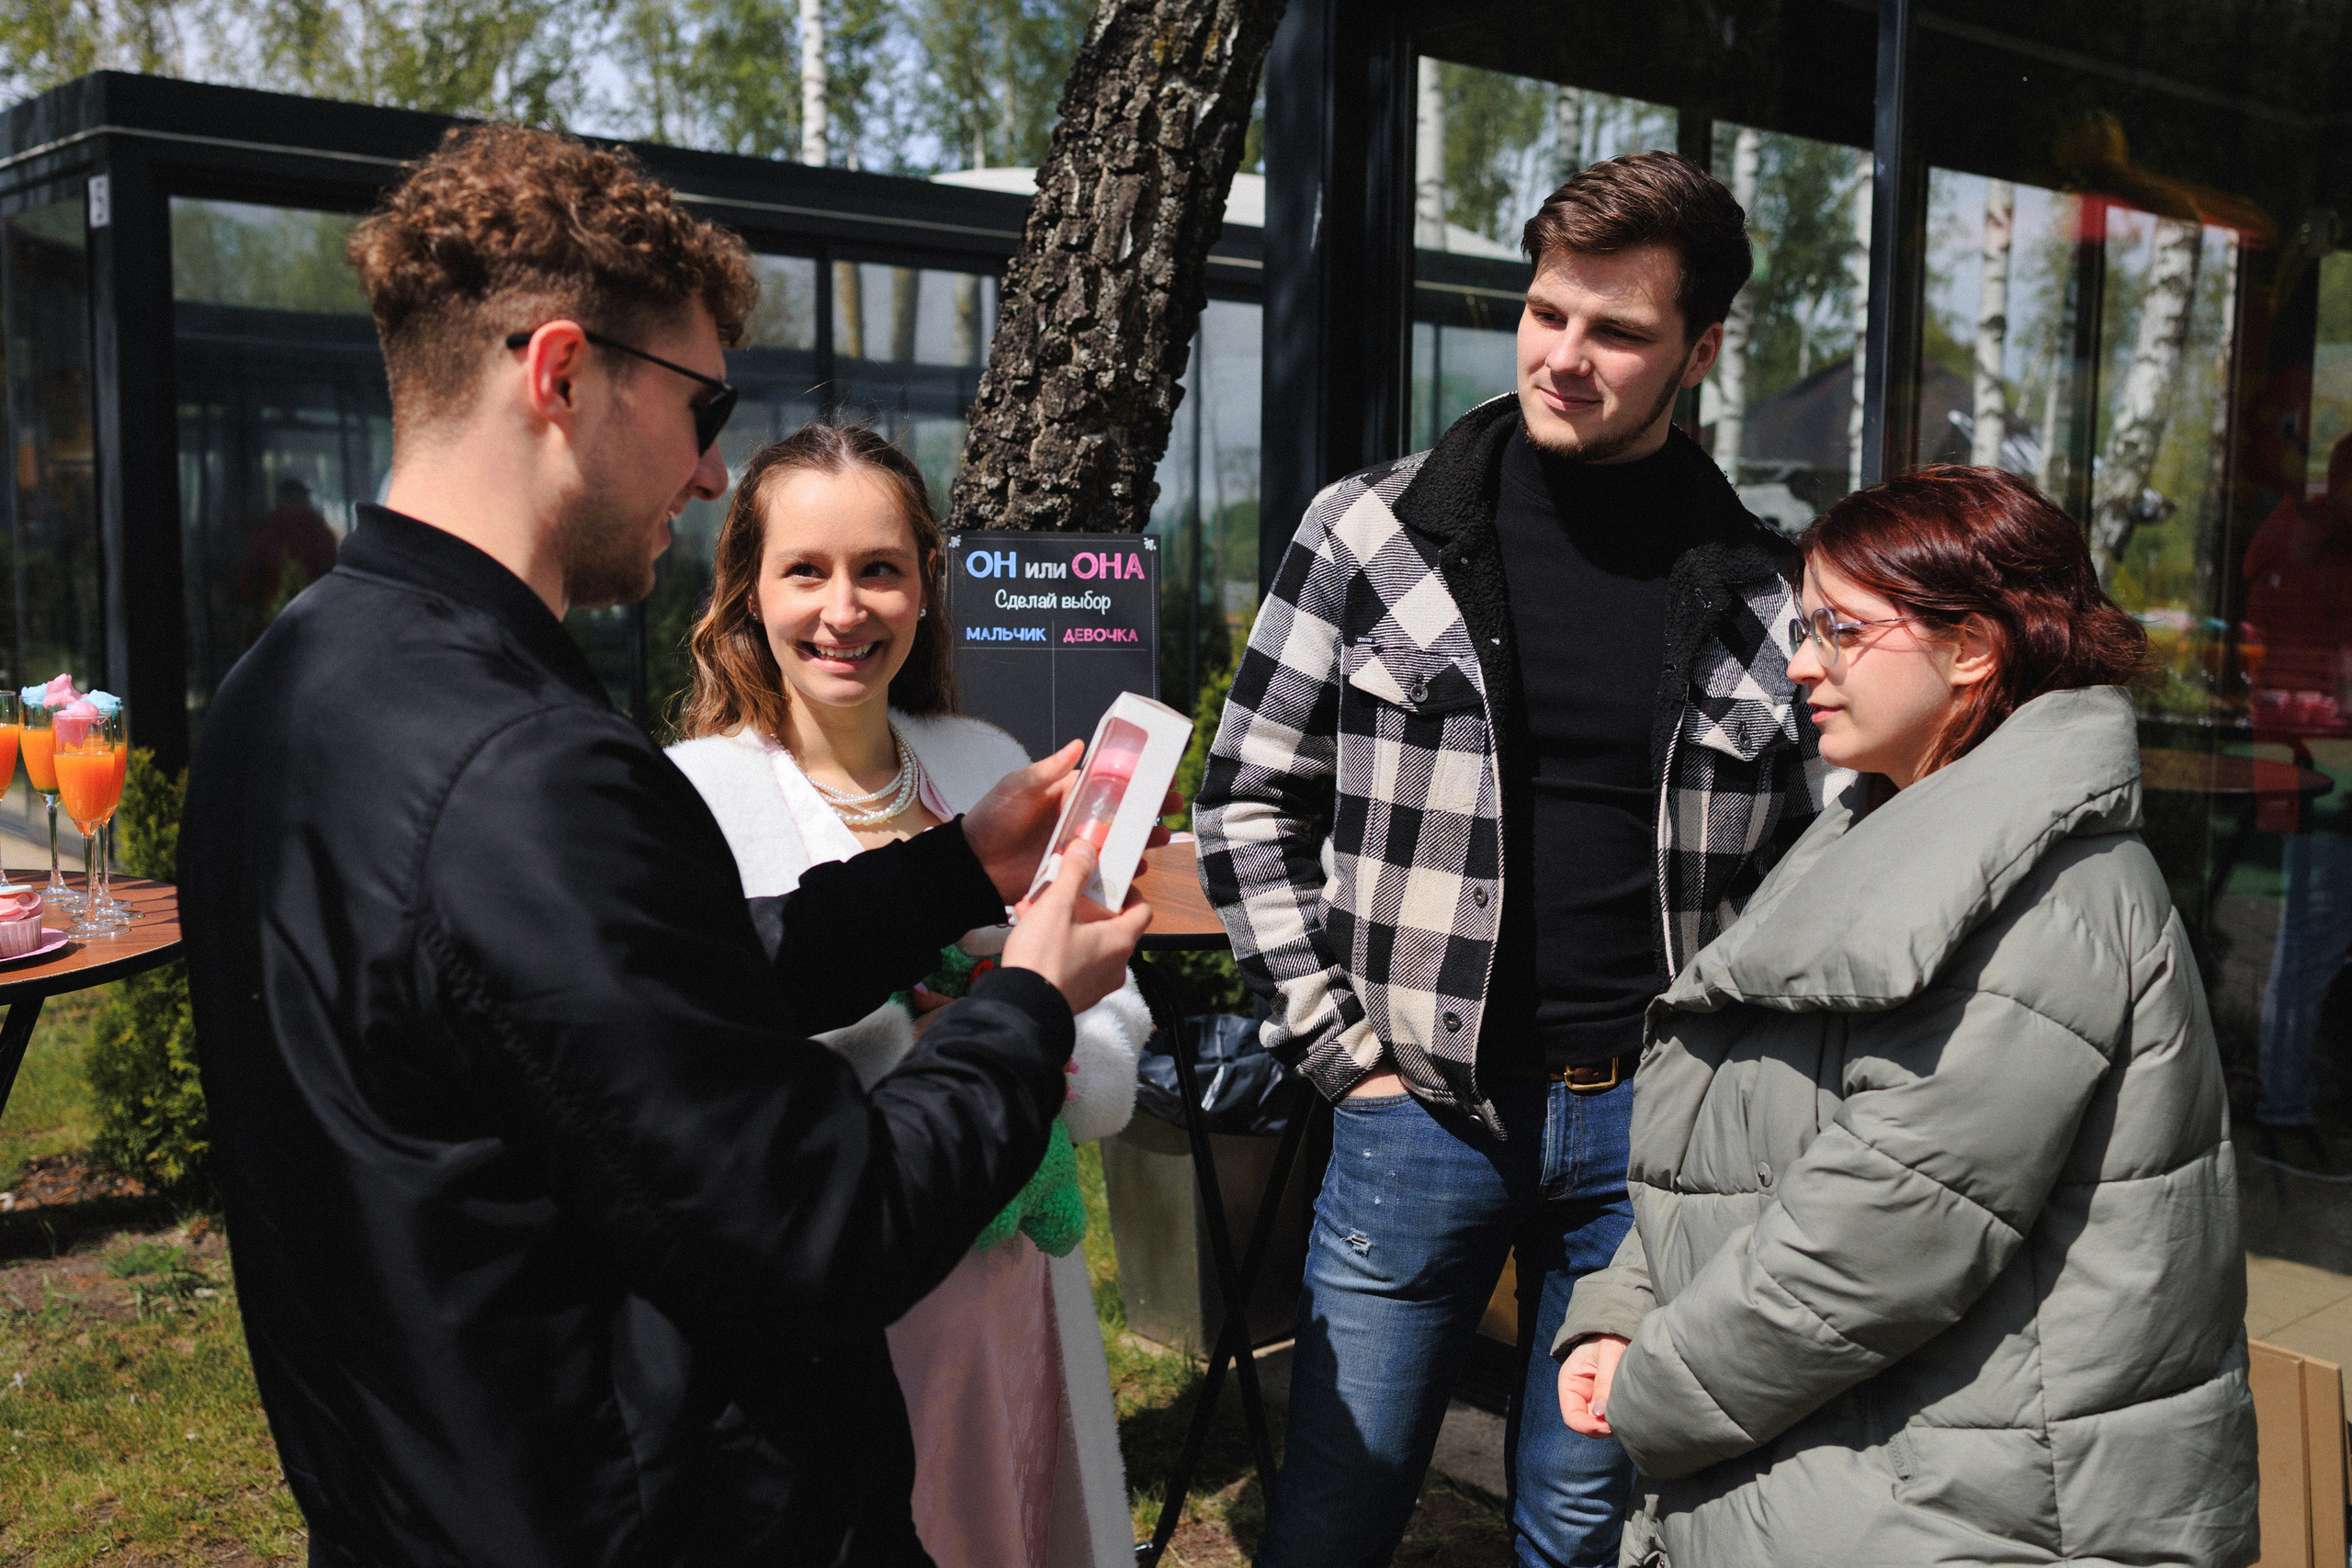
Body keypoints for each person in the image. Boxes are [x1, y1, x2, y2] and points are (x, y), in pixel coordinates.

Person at [180, 124, 1152, 1567]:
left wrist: (950, 873)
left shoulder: (289, 682)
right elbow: (821, 1227)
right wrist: (1026, 1001)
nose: (710, 475)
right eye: (705, 406)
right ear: (563, 375)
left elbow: (635, 999)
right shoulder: (523, 761)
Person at [1194, 151, 1826, 1567]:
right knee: (1337, 1511)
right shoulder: (1372, 532)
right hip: (1414, 1106)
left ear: (1699, 351)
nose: (1565, 356)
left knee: (1588, 1521)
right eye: (1548, 313)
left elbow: (1813, 871)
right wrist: (1339, 1049)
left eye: (1617, 331)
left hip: (1649, 1137)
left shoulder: (1768, 590)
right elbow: (1243, 799)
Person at [1553, 466, 2256, 1567]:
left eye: (1841, 630)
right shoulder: (1897, 833)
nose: (1800, 665)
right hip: (1873, 1466)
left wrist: (1652, 1381)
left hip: (1962, 1504)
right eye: (1805, 627)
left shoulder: (2047, 894)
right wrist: (1621, 1303)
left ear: (1972, 648)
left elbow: (1882, 1234)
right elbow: (1747, 1144)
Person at [664, 423, 1150, 1568]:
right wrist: (933, 1030)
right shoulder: (695, 800)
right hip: (838, 1302)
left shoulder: (988, 762)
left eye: (878, 568)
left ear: (927, 586)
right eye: (806, 570)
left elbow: (1112, 1014)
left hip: (1010, 1282)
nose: (846, 609)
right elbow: (696, 1075)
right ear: (745, 592)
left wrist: (1045, 1032)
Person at [2243, 431, 2352, 1168]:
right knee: (2311, 937)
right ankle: (2283, 1106)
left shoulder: (2296, 541)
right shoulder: (2318, 552)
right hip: (2327, 759)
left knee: (2313, 936)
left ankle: (2294, 1085)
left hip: (2306, 752)